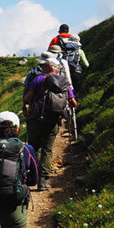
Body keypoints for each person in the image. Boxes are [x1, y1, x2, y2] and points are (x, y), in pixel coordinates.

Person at [23, 56, 76, 190]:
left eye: (45, 66)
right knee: (47, 149)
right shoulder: (64, 82)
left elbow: (28, 98)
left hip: (36, 118)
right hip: (53, 119)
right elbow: (73, 103)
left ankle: (27, 176)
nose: (42, 68)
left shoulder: (39, 79)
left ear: (51, 67)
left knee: (32, 147)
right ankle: (42, 181)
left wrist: (28, 106)